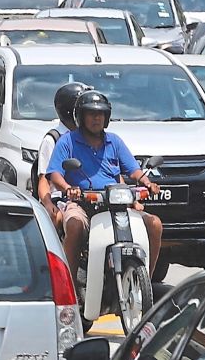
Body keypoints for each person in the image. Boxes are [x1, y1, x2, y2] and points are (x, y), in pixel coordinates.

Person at [46, 90, 163, 280]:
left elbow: (133, 170)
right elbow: (55, 174)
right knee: (75, 225)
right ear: (81, 117)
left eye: (100, 114)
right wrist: (69, 188)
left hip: (116, 203)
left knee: (155, 224)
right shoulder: (67, 141)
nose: (96, 118)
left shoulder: (114, 141)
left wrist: (147, 182)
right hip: (82, 202)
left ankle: (144, 281)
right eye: (91, 114)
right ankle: (68, 286)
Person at [34, 81, 91, 221]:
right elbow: (44, 180)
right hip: (61, 198)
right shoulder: (53, 139)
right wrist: (47, 204)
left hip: (90, 197)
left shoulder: (91, 137)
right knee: (57, 218)